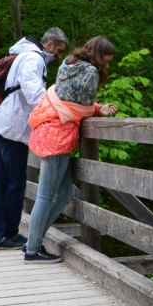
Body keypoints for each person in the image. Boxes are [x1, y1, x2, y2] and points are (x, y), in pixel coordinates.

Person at [23, 36, 118, 263]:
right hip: (59, 135)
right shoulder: (91, 73)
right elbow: (80, 108)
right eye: (107, 60)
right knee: (45, 197)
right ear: (99, 56)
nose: (107, 65)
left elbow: (67, 99)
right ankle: (33, 249)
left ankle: (32, 242)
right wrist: (97, 109)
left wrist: (94, 108)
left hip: (48, 128)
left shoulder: (69, 63)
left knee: (65, 193)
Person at [0, 28, 69, 250]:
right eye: (58, 51)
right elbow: (34, 94)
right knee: (15, 183)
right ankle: (9, 233)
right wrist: (60, 109)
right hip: (13, 129)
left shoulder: (21, 55)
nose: (58, 57)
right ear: (48, 44)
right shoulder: (33, 58)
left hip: (0, 124)